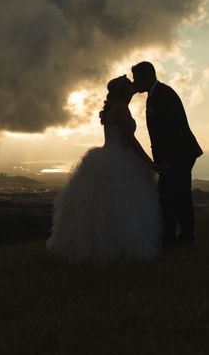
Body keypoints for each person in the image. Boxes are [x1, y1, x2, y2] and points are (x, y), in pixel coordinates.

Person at [46, 75, 162, 262]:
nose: (134, 86)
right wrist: (150, 163)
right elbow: (131, 141)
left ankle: (103, 246)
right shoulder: (121, 109)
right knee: (123, 206)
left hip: (108, 155)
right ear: (125, 91)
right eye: (129, 85)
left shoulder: (114, 108)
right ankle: (121, 248)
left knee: (104, 207)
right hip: (120, 159)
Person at [131, 61, 203, 249]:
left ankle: (177, 239)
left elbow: (175, 129)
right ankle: (180, 237)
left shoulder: (164, 95)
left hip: (180, 155)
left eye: (136, 78)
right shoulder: (154, 95)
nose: (134, 82)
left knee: (173, 197)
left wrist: (169, 160)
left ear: (147, 76)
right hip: (175, 155)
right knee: (175, 196)